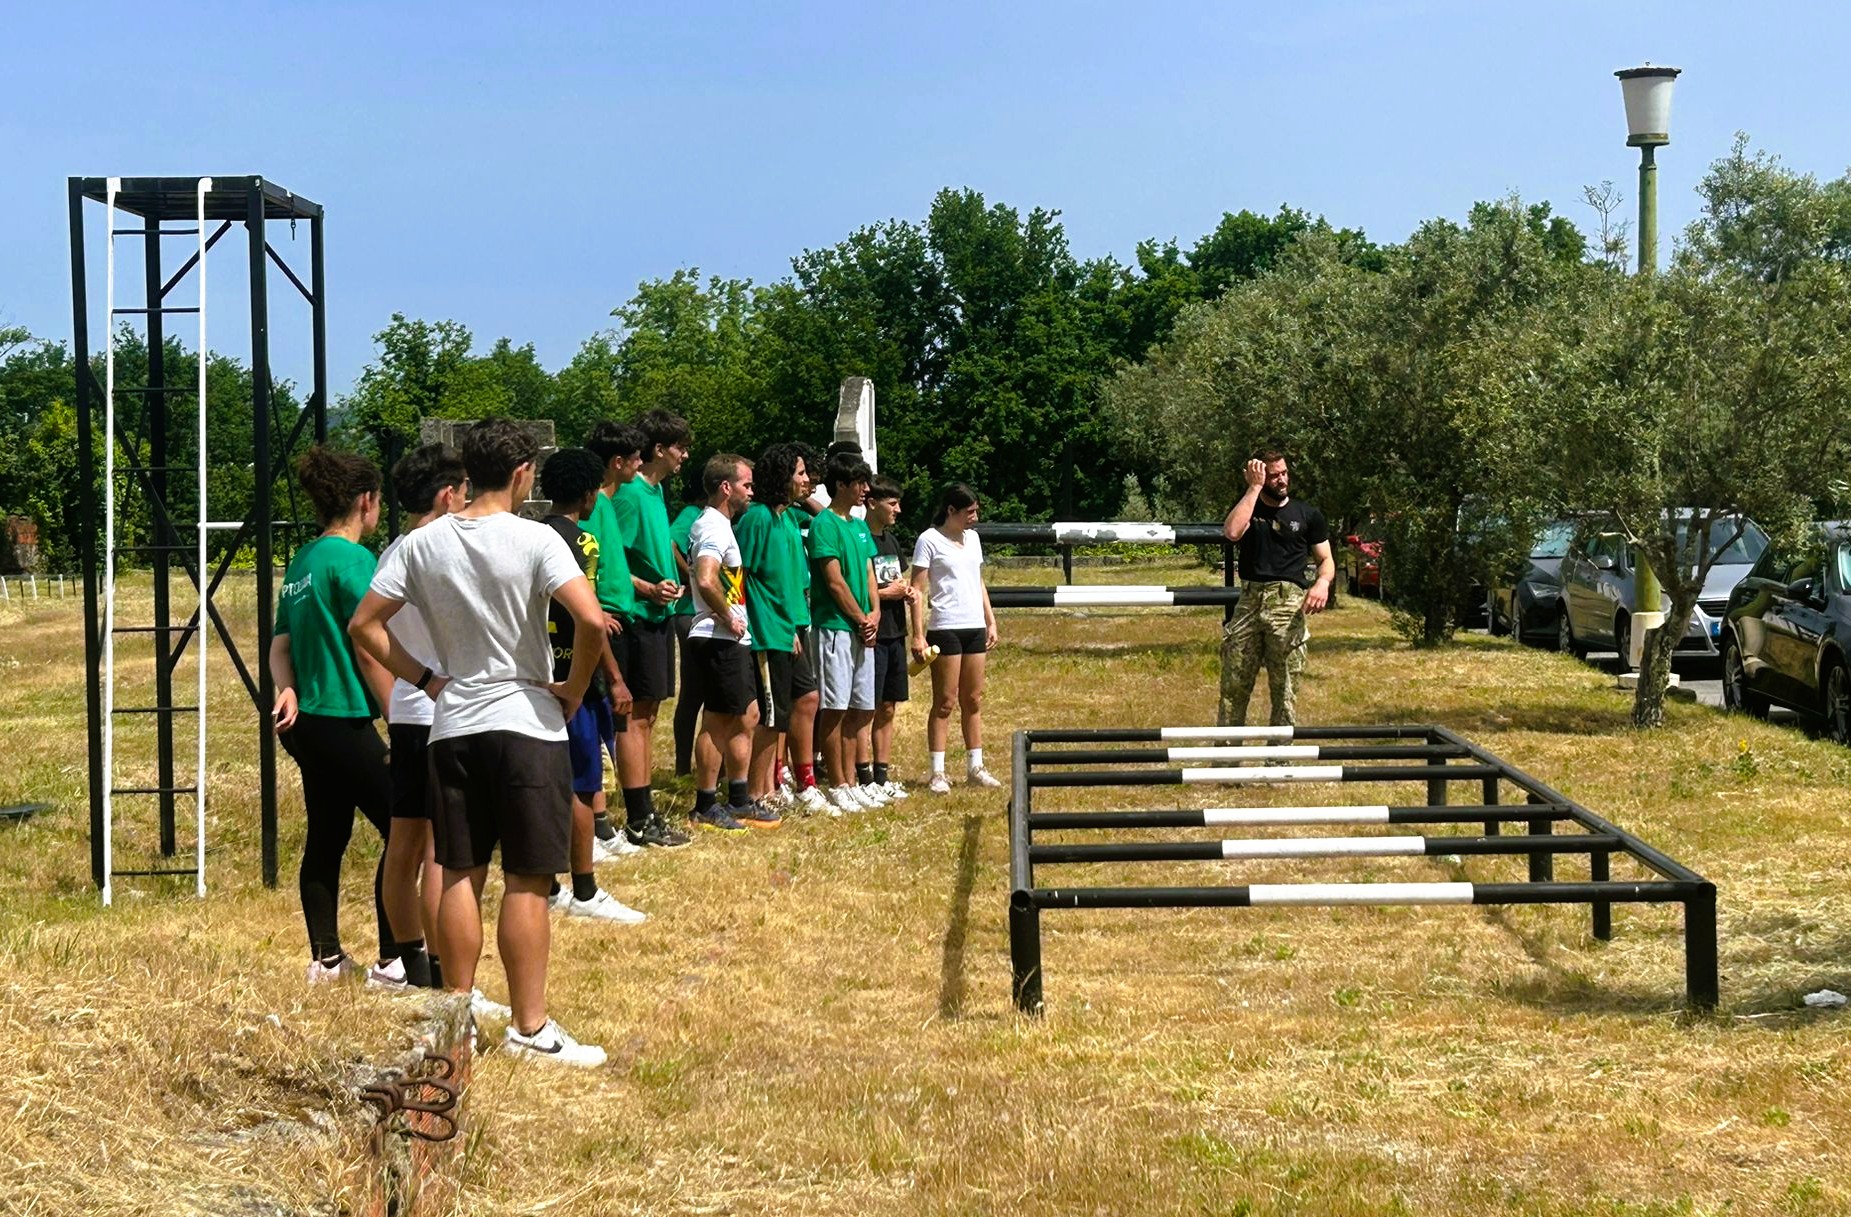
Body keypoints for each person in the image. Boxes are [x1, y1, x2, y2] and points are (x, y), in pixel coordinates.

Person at [351, 418, 608, 1067]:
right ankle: (529, 1026)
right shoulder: (536, 537)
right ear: (522, 472)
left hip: (453, 722)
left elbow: (364, 626)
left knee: (459, 870)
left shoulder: (421, 543)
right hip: (527, 721)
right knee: (526, 877)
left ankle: (456, 1018)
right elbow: (589, 619)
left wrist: (425, 679)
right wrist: (573, 689)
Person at [269, 445, 400, 985]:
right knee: (404, 828)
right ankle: (394, 958)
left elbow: (279, 645)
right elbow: (370, 647)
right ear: (366, 501)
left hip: (306, 724)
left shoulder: (303, 561)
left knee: (327, 836)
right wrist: (398, 716)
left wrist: (286, 688)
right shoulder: (355, 562)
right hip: (344, 718)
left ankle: (325, 959)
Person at [372, 443, 469, 990]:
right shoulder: (440, 549)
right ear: (447, 494)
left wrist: (409, 682)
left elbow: (369, 631)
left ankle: (412, 964)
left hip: (410, 712)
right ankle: (443, 971)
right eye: (465, 490)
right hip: (441, 712)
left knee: (403, 843)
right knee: (440, 850)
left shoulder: (393, 551)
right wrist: (430, 679)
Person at [539, 447, 646, 924]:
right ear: (587, 495)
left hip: (535, 676)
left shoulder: (531, 536)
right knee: (583, 784)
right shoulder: (583, 543)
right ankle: (584, 889)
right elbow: (589, 619)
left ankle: (545, 884)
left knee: (544, 784)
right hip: (574, 681)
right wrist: (614, 678)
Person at [683, 454, 781, 832]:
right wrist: (728, 617)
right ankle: (705, 804)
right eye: (746, 484)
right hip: (717, 637)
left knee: (748, 715)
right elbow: (706, 579)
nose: (751, 492)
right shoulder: (712, 527)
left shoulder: (721, 526)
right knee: (718, 720)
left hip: (731, 638)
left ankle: (739, 798)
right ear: (726, 487)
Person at [612, 409, 692, 848]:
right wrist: (647, 588)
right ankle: (638, 816)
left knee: (649, 715)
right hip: (637, 619)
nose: (685, 456)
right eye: (680, 448)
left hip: (659, 617)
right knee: (634, 719)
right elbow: (608, 559)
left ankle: (646, 812)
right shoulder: (629, 495)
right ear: (658, 450)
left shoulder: (657, 492)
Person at [738, 443, 829, 814]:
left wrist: (794, 624)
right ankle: (758, 793)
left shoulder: (787, 517)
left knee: (804, 699)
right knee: (770, 716)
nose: (807, 481)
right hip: (769, 631)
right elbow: (742, 575)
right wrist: (771, 625)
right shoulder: (757, 518)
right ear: (781, 477)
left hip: (791, 626)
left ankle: (777, 784)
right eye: (801, 473)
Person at [1219, 449, 1334, 727]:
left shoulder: (1308, 514)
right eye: (1273, 476)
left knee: (1285, 693)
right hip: (1249, 602)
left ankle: (1280, 753)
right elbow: (1232, 532)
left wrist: (1322, 583)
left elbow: (1326, 560)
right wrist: (1254, 488)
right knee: (1233, 689)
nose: (1282, 480)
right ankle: (1226, 753)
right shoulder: (1249, 508)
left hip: (1287, 604)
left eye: (1284, 473)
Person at [581, 421, 653, 854]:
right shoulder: (593, 507)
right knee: (601, 723)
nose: (641, 465)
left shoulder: (608, 503)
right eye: (636, 458)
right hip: (603, 624)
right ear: (617, 462)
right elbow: (584, 568)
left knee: (620, 719)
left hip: (623, 619)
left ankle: (618, 821)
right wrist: (597, 610)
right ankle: (597, 824)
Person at [909, 483, 1001, 793]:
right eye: (969, 512)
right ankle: (937, 772)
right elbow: (917, 590)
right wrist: (918, 635)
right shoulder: (928, 540)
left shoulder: (973, 539)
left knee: (972, 700)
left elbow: (978, 581)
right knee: (945, 702)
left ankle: (976, 766)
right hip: (945, 627)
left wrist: (990, 620)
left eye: (976, 511)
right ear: (951, 510)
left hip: (974, 627)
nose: (975, 517)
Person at [809, 453, 886, 814]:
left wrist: (875, 612)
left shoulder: (858, 526)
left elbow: (870, 574)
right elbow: (834, 581)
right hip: (836, 628)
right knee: (835, 708)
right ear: (840, 485)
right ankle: (837, 783)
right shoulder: (824, 524)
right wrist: (859, 619)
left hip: (862, 629)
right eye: (859, 483)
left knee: (860, 708)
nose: (865, 490)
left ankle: (854, 782)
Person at [864, 475, 915, 800]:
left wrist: (904, 591)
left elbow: (894, 580)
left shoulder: (892, 542)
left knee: (888, 706)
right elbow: (859, 590)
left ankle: (882, 775)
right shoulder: (860, 539)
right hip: (873, 635)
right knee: (866, 708)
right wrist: (886, 594)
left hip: (896, 632)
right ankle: (862, 775)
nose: (898, 510)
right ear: (872, 503)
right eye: (892, 504)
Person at [667, 460, 704, 776]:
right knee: (693, 692)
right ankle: (682, 766)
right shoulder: (692, 514)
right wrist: (690, 574)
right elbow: (670, 544)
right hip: (689, 613)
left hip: (700, 612)